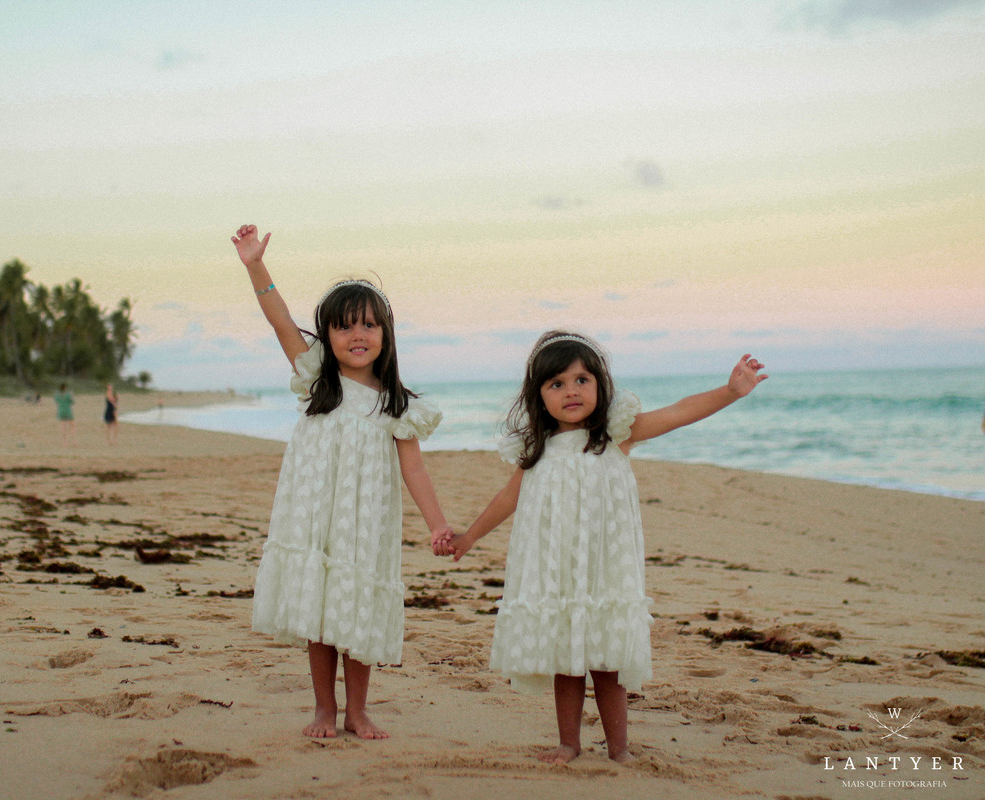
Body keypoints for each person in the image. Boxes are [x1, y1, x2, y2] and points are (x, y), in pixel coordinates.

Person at [436, 331, 767, 764]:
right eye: (556, 384)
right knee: (565, 658)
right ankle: (568, 743)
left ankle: (620, 749)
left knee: (608, 660)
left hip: (605, 565)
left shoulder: (615, 434)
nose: (570, 391)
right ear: (540, 397)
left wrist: (730, 391)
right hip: (557, 567)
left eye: (581, 380)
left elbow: (680, 412)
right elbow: (507, 499)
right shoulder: (537, 450)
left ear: (599, 386)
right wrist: (470, 536)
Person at [231, 223, 454, 741]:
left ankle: (357, 710)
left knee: (356, 608)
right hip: (314, 513)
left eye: (370, 327)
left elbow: (414, 468)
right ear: (327, 336)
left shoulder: (397, 405)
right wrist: (255, 265)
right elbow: (279, 319)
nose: (358, 336)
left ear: (386, 336)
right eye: (345, 327)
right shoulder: (316, 379)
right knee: (319, 606)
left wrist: (438, 523)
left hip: (366, 520)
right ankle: (323, 710)